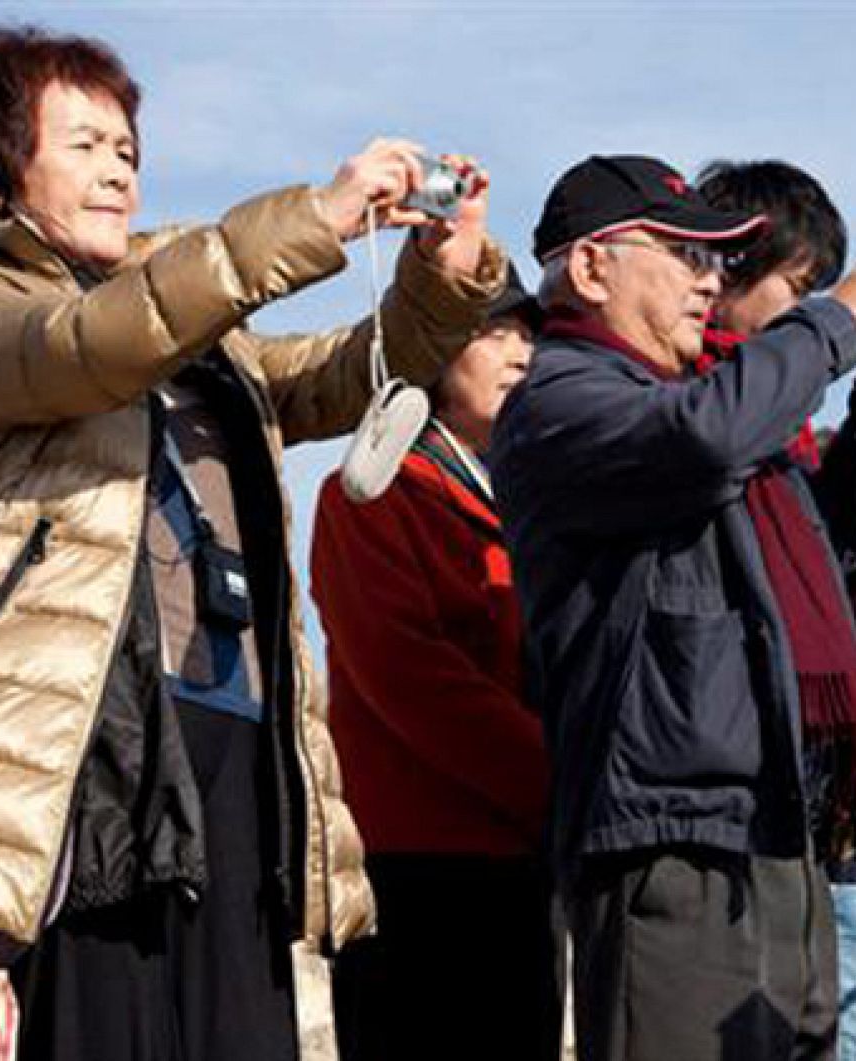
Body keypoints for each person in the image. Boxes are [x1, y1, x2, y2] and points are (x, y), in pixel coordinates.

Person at [0, 24, 507, 1061]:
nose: (117, 170)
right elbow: (86, 349)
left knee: (244, 1031)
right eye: (83, 145)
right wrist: (311, 218)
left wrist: (443, 275)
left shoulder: (192, 321)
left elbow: (343, 374)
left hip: (241, 724)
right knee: (109, 1028)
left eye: (128, 149)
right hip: (90, 740)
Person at [490, 153, 856, 1061]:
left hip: (774, 824)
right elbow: (705, 439)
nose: (709, 280)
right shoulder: (561, 398)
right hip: (665, 839)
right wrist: (833, 318)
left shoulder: (707, 404)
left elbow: (829, 539)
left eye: (720, 259)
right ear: (590, 268)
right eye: (686, 255)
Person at [696, 159, 856, 1061]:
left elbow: (838, 535)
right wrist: (837, 321)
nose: (810, 307)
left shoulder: (780, 420)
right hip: (758, 796)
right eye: (798, 286)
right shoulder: (705, 408)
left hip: (832, 793)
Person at [309, 270, 561, 1061]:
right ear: (432, 349)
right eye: (494, 331)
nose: (520, 352)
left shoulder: (527, 503)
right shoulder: (369, 490)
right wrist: (558, 779)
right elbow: (409, 674)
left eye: (529, 333)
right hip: (414, 867)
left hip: (520, 862)